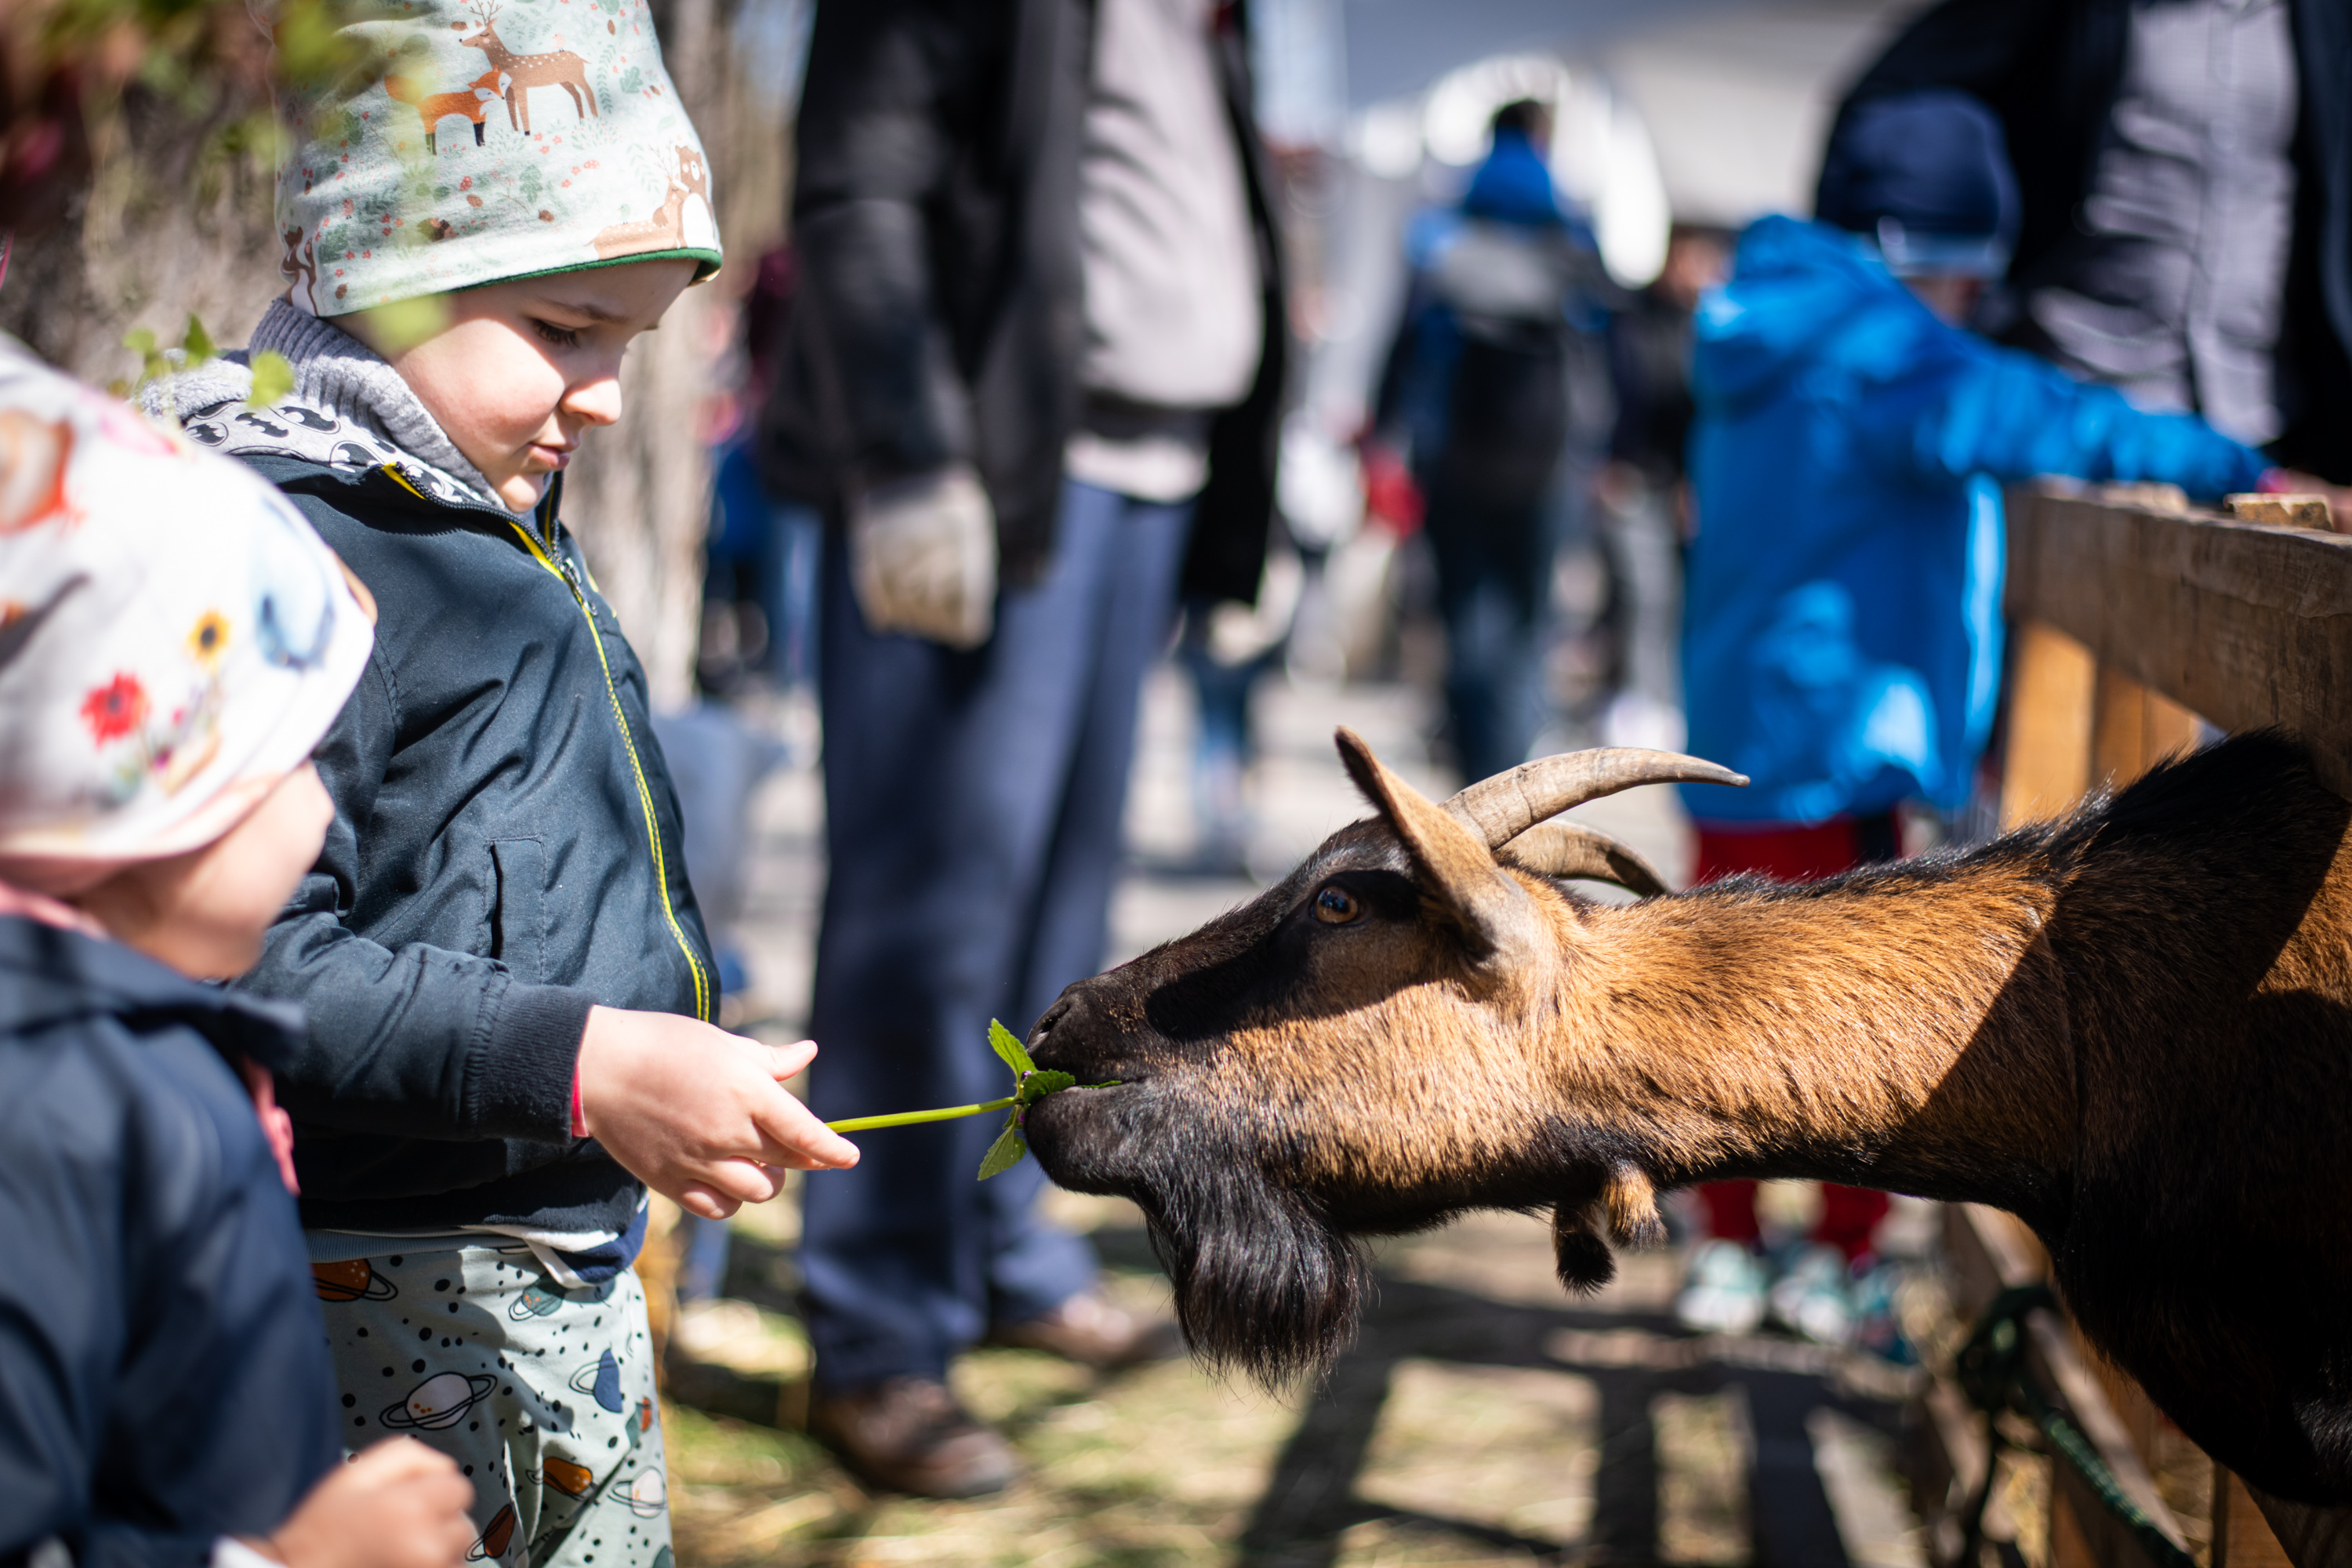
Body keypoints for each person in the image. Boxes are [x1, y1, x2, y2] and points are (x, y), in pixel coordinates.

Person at [146, 5, 862, 1561]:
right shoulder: (293, 561)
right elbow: (251, 957)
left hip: (555, 1255)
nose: (604, 394)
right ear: (382, 284)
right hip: (390, 1287)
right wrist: (586, 1061)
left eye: (630, 341)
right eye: (562, 328)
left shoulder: (479, 497)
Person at [759, 0, 1287, 1497]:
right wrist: (910, 455)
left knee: (1060, 916)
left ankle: (999, 1240)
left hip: (1148, 484)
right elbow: (862, 180)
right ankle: (874, 1331)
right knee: (930, 923)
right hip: (988, 473)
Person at [1673, 91, 2274, 1346]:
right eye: (1963, 286)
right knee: (1850, 1011)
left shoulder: (1757, 325)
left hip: (1731, 732)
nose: (1966, 315)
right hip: (1840, 743)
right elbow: (2047, 417)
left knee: (1712, 993)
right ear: (1924, 257)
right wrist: (2241, 470)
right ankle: (1837, 1259)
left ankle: (1726, 1250)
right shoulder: (1887, 352)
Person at [0, 347, 477, 1568]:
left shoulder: (114, 1057)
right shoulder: (64, 1108)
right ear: (154, 797)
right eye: (292, 761)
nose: (328, 814)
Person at [1831, 0, 2352, 487]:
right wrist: (1932, 279)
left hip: (2264, 431)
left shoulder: (2322, 18)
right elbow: (1892, 100)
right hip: (2070, 421)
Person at [1370, 98, 1616, 785]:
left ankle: (1475, 768)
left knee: (1466, 617)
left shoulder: (1442, 236)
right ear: (1543, 139)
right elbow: (1606, 357)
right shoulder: (1570, 237)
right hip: (1546, 461)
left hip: (1453, 458)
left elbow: (1402, 346)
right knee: (1531, 621)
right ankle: (1514, 768)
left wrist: (1383, 436)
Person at [1597, 223, 1730, 750]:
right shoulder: (1631, 319)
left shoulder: (1713, 333)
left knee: (1672, 599)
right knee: (1638, 594)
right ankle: (1633, 700)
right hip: (1631, 477)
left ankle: (1658, 701)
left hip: (1681, 487)